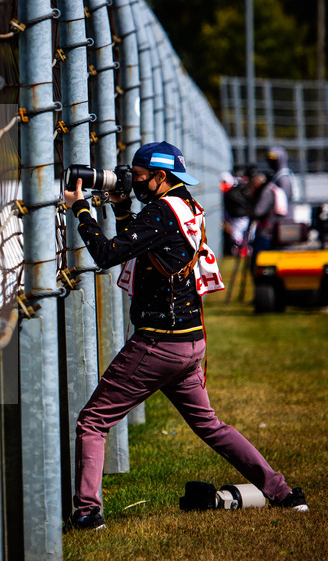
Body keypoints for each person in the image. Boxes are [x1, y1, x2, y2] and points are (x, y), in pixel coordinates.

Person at [62, 141, 307, 531]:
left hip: (159, 342)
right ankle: (283, 493)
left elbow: (108, 253)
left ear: (161, 177)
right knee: (211, 426)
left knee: (93, 421)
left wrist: (81, 210)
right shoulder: (185, 206)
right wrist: (124, 208)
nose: (136, 184)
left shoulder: (160, 212)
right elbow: (142, 244)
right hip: (189, 342)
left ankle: (87, 513)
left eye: (141, 179)